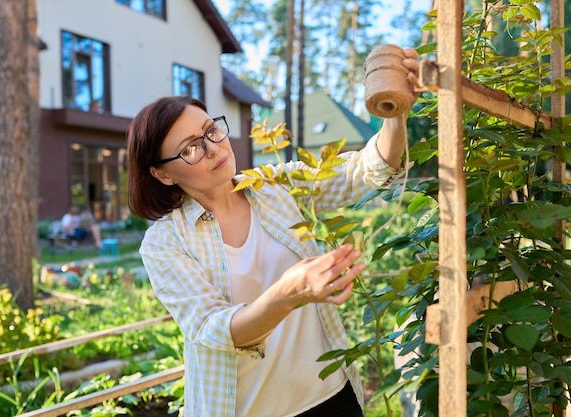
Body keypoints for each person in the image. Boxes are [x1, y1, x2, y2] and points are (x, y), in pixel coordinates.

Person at [127, 47, 419, 417]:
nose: (213, 149)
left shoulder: (274, 185)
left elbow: (366, 169)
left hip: (331, 397)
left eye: (211, 131)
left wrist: (395, 111)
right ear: (163, 173)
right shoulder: (166, 242)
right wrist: (289, 292)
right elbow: (217, 330)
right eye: (190, 150)